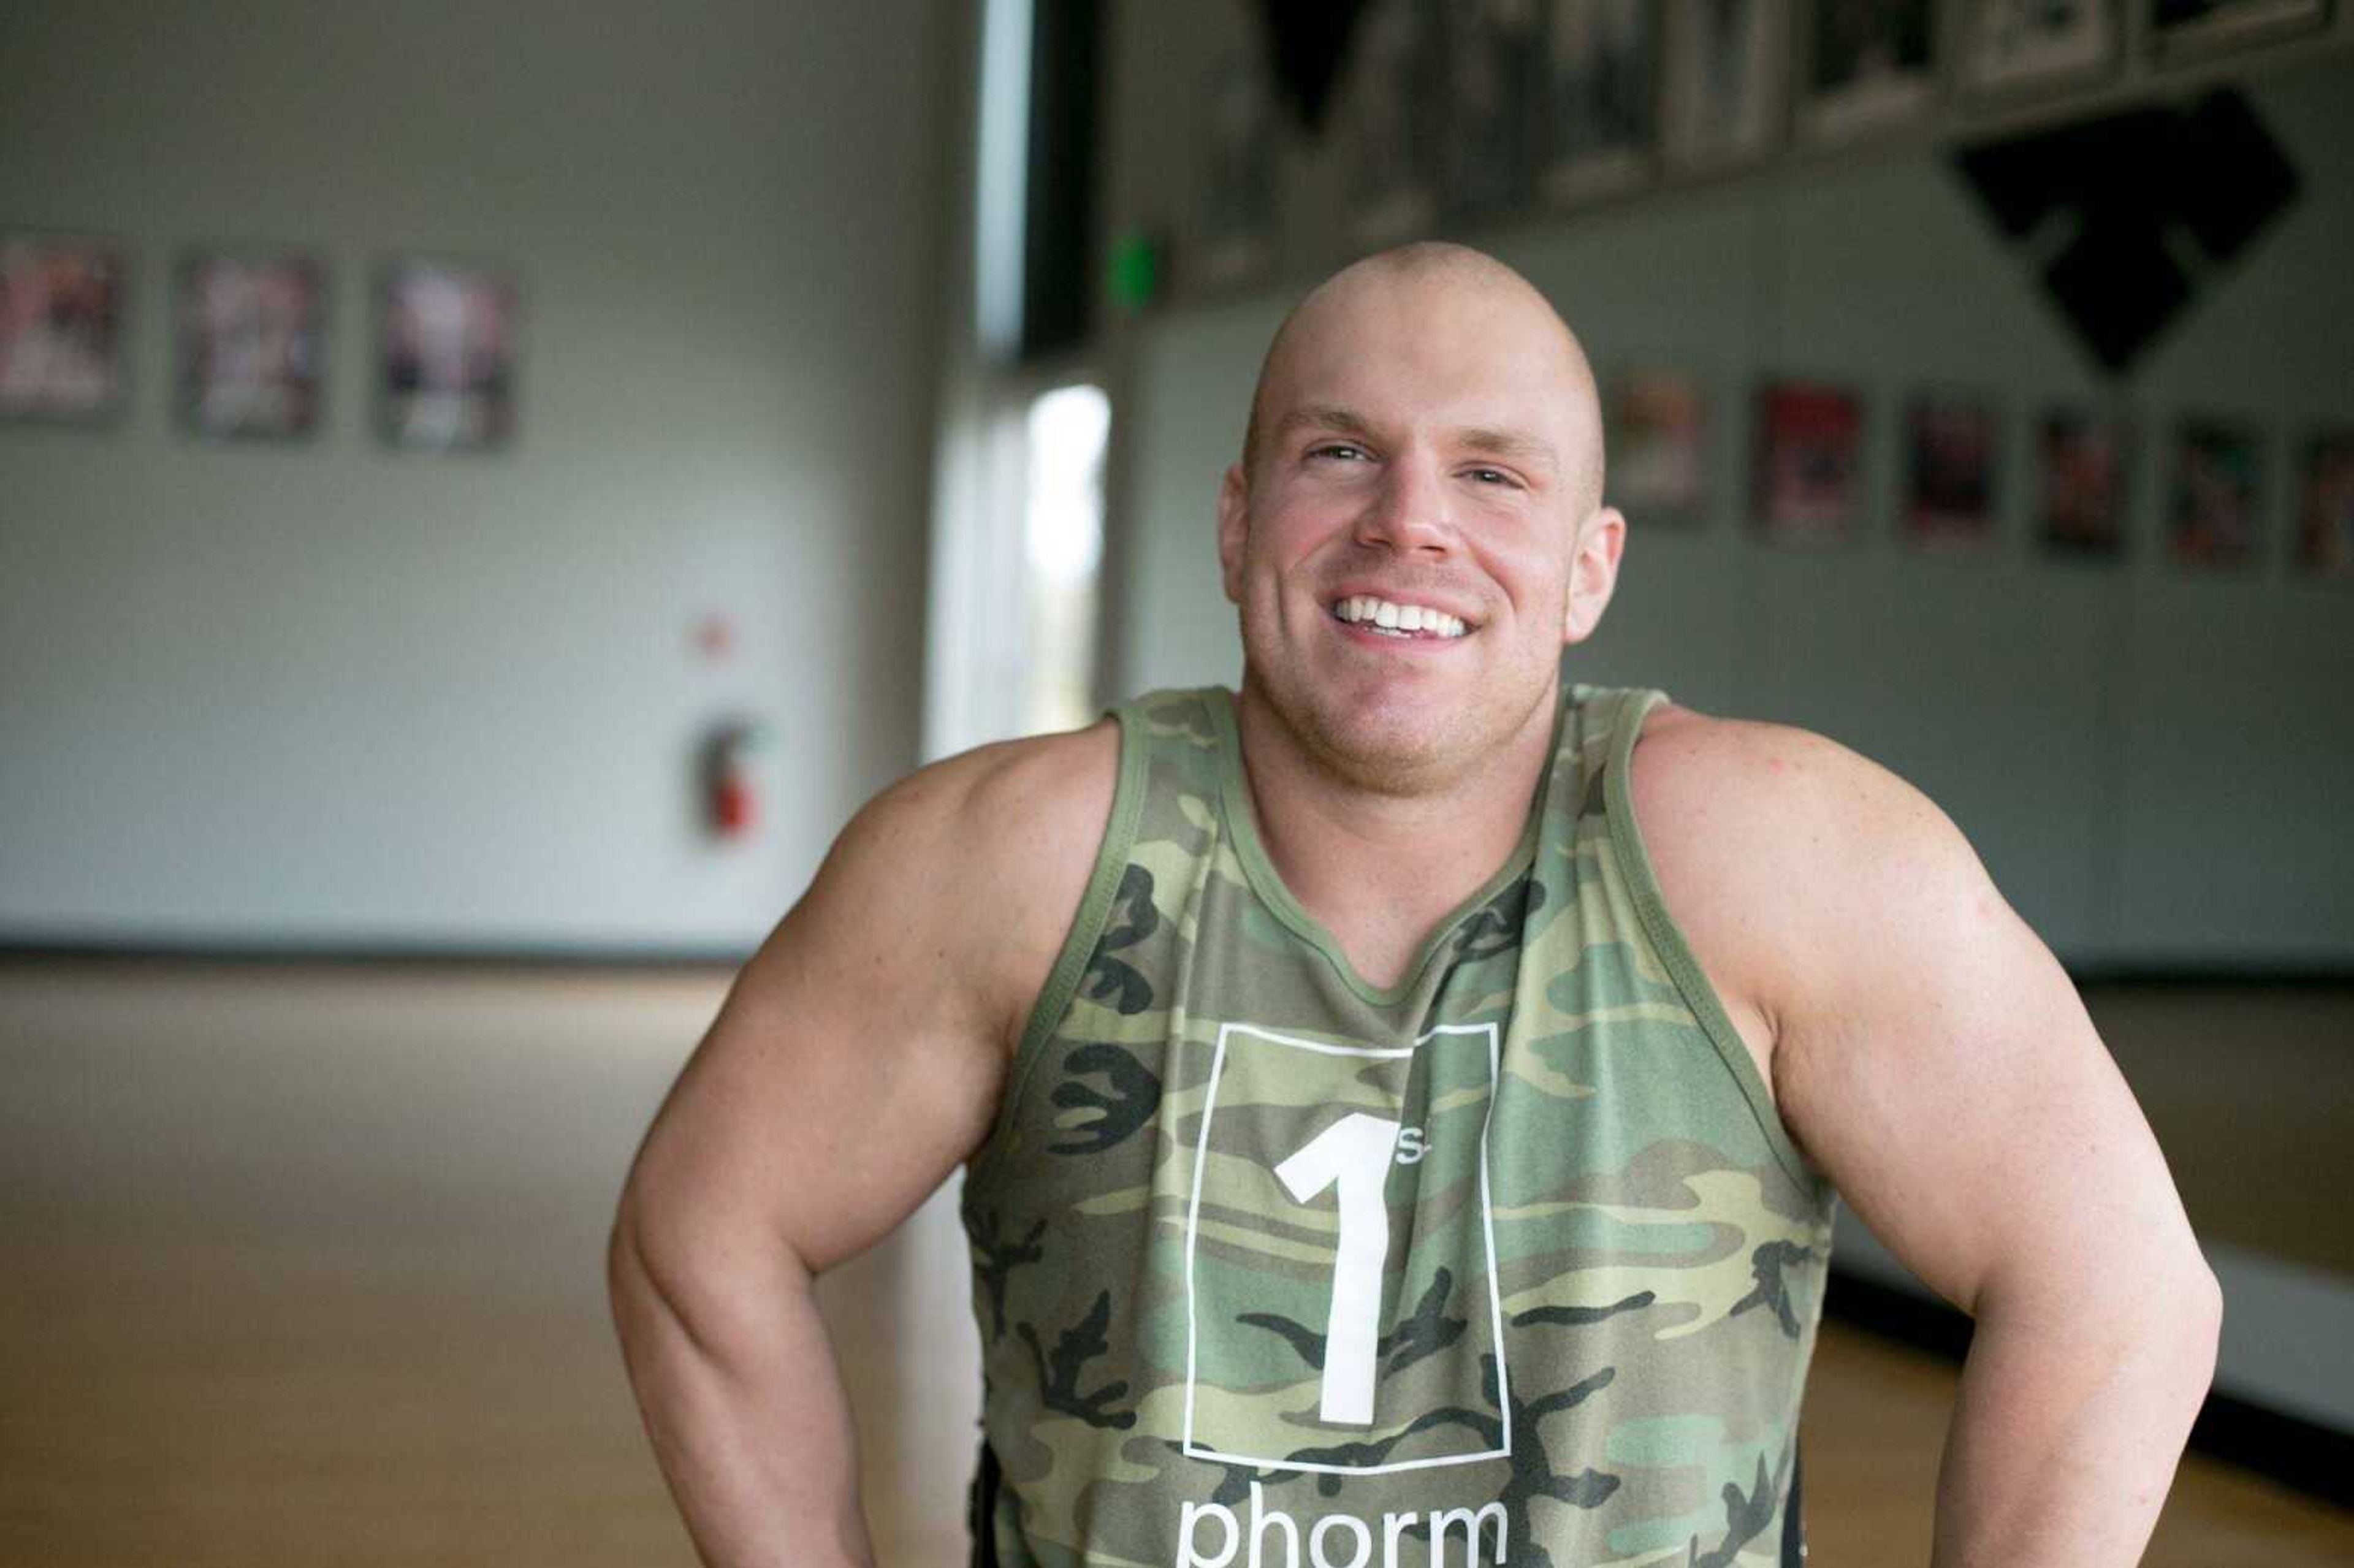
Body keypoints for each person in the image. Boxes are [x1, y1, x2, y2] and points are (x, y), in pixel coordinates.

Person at [609, 242, 2220, 1568]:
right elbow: (703, 1231)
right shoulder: (1012, 858)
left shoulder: (1779, 854)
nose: (1410, 521)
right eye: (1340, 452)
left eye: (1493, 473)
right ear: (1239, 521)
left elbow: (2118, 1287)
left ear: (1592, 568)